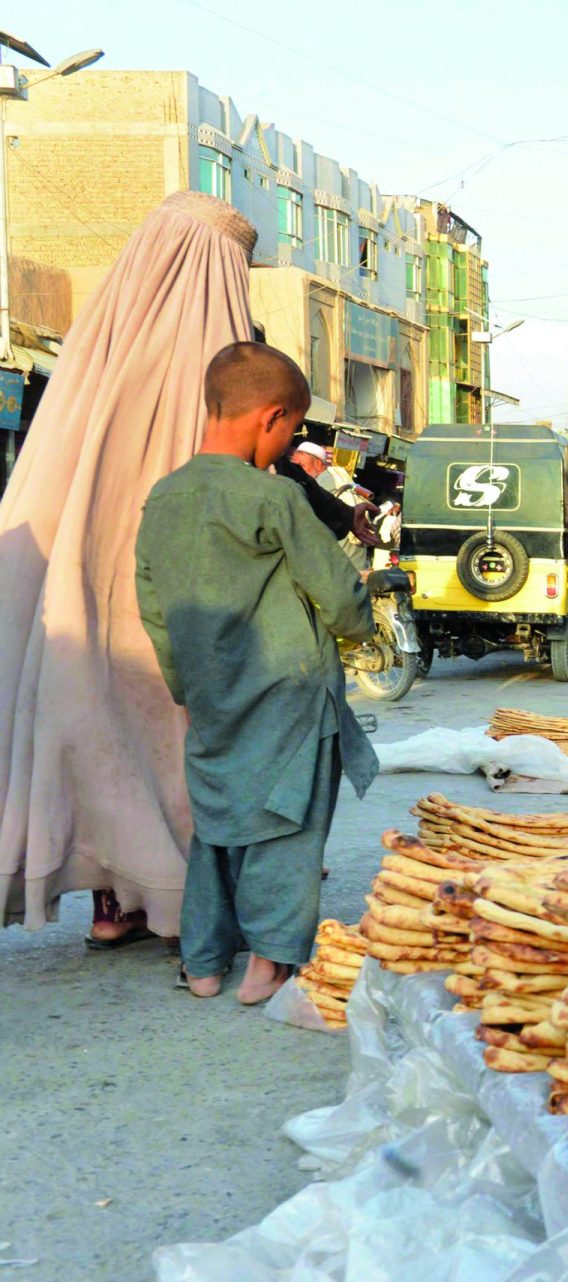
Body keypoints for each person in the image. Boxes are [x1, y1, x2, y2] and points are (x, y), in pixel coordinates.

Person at [1, 190, 259, 949]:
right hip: (167, 591)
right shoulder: (214, 356)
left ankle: (111, 899)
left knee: (89, 718)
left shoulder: (96, 344)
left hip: (77, 579)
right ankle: (178, 900)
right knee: (169, 729)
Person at [134, 342, 377, 1003]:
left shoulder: (163, 497)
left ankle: (206, 963)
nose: (289, 441)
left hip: (210, 695)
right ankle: (269, 962)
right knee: (290, 824)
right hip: (291, 691)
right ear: (272, 418)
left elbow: (153, 605)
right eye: (293, 429)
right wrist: (362, 624)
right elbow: (337, 595)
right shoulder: (274, 500)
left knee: (217, 826)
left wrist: (187, 686)